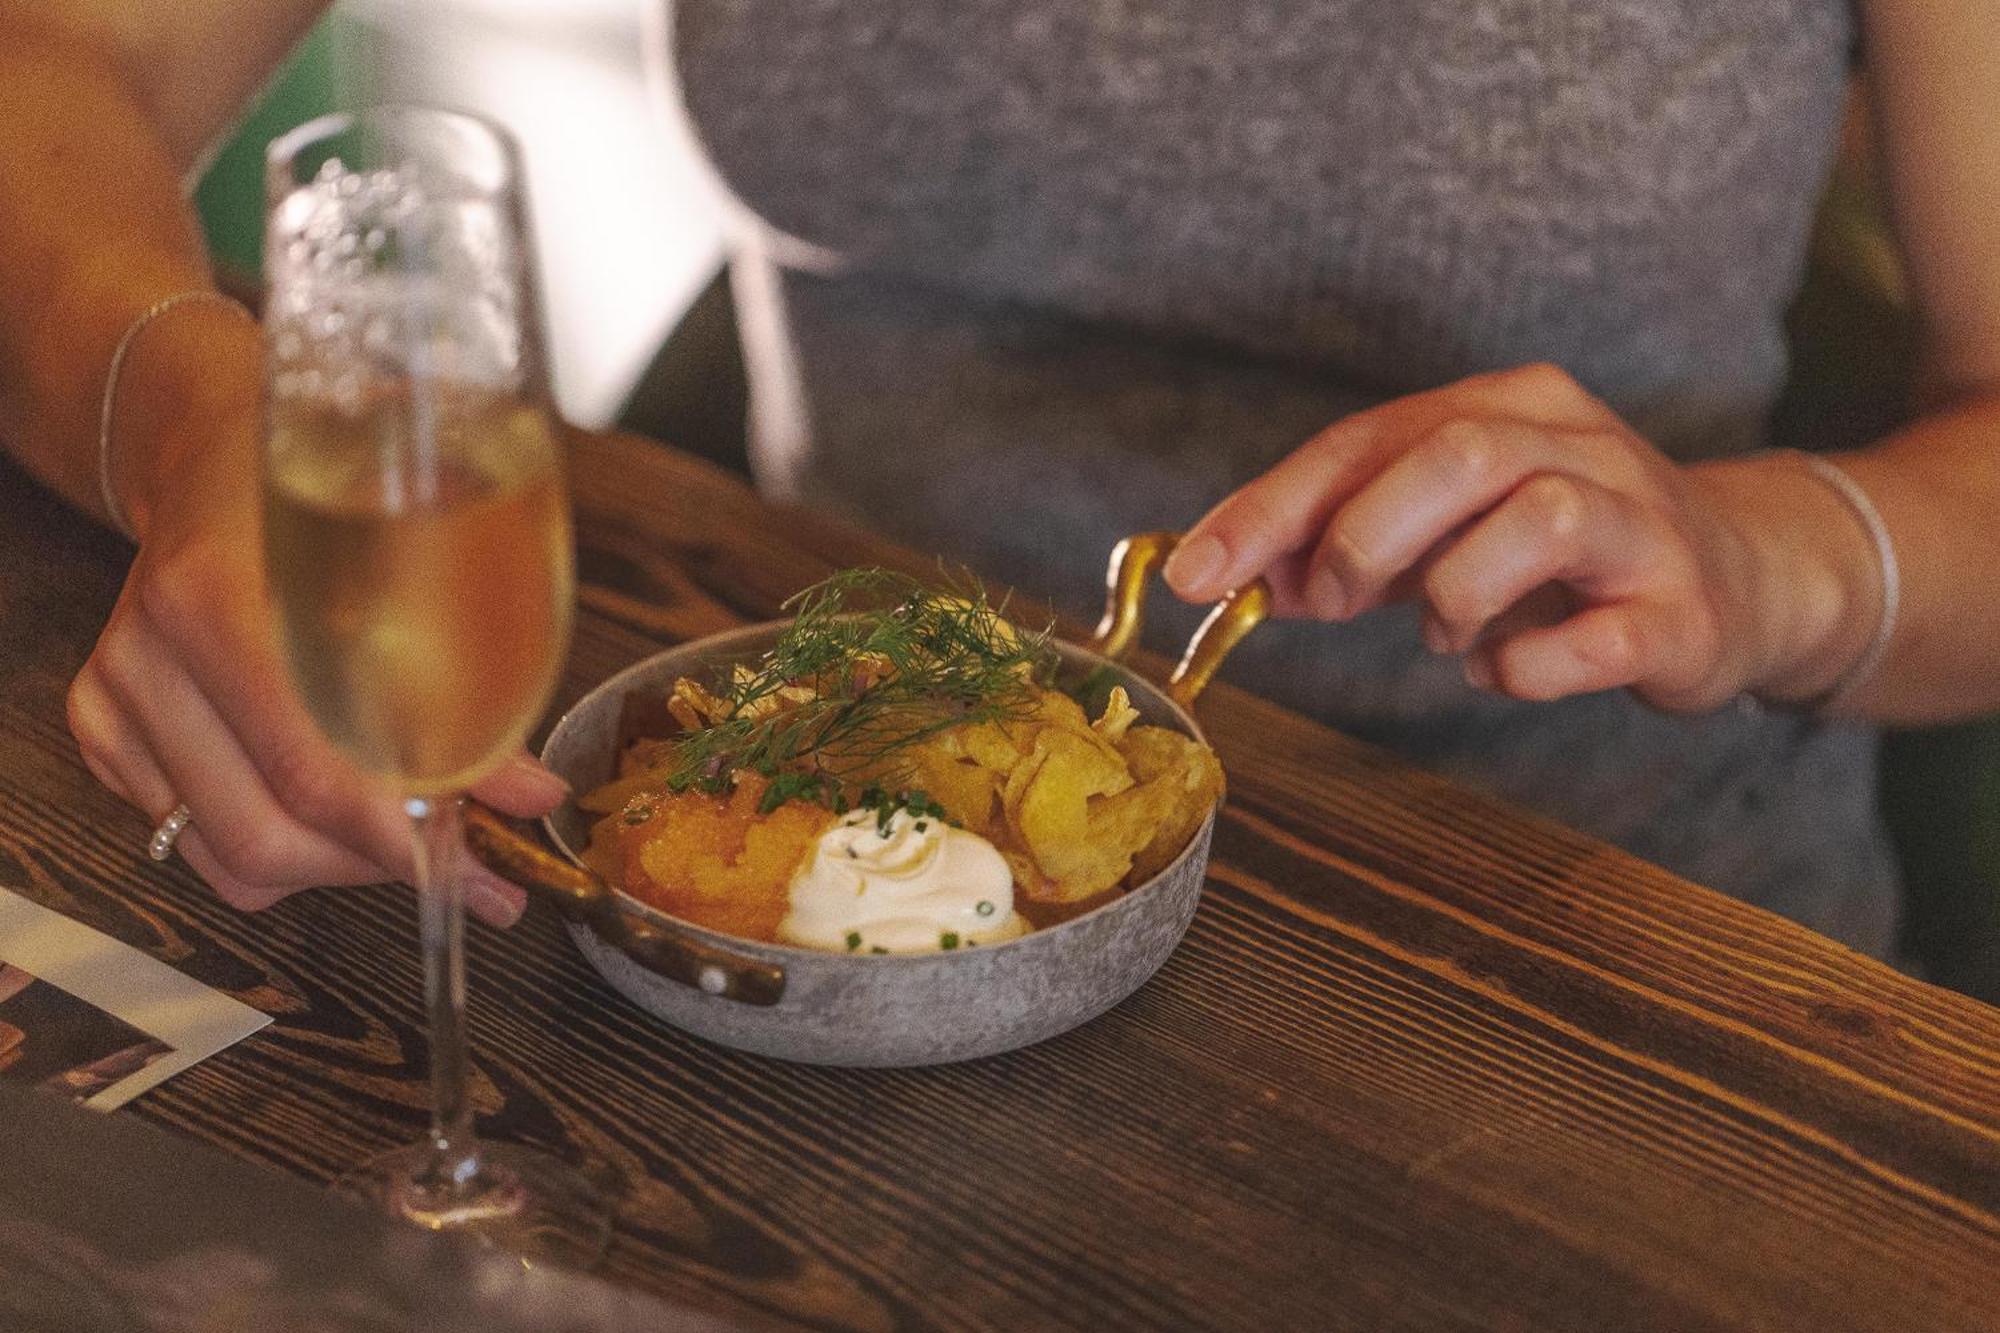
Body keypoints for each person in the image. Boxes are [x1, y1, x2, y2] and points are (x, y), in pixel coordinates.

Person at [3, 3, 1996, 956]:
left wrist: (1762, 564)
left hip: (1590, 958)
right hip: (798, 886)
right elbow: (53, 68)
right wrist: (189, 426)